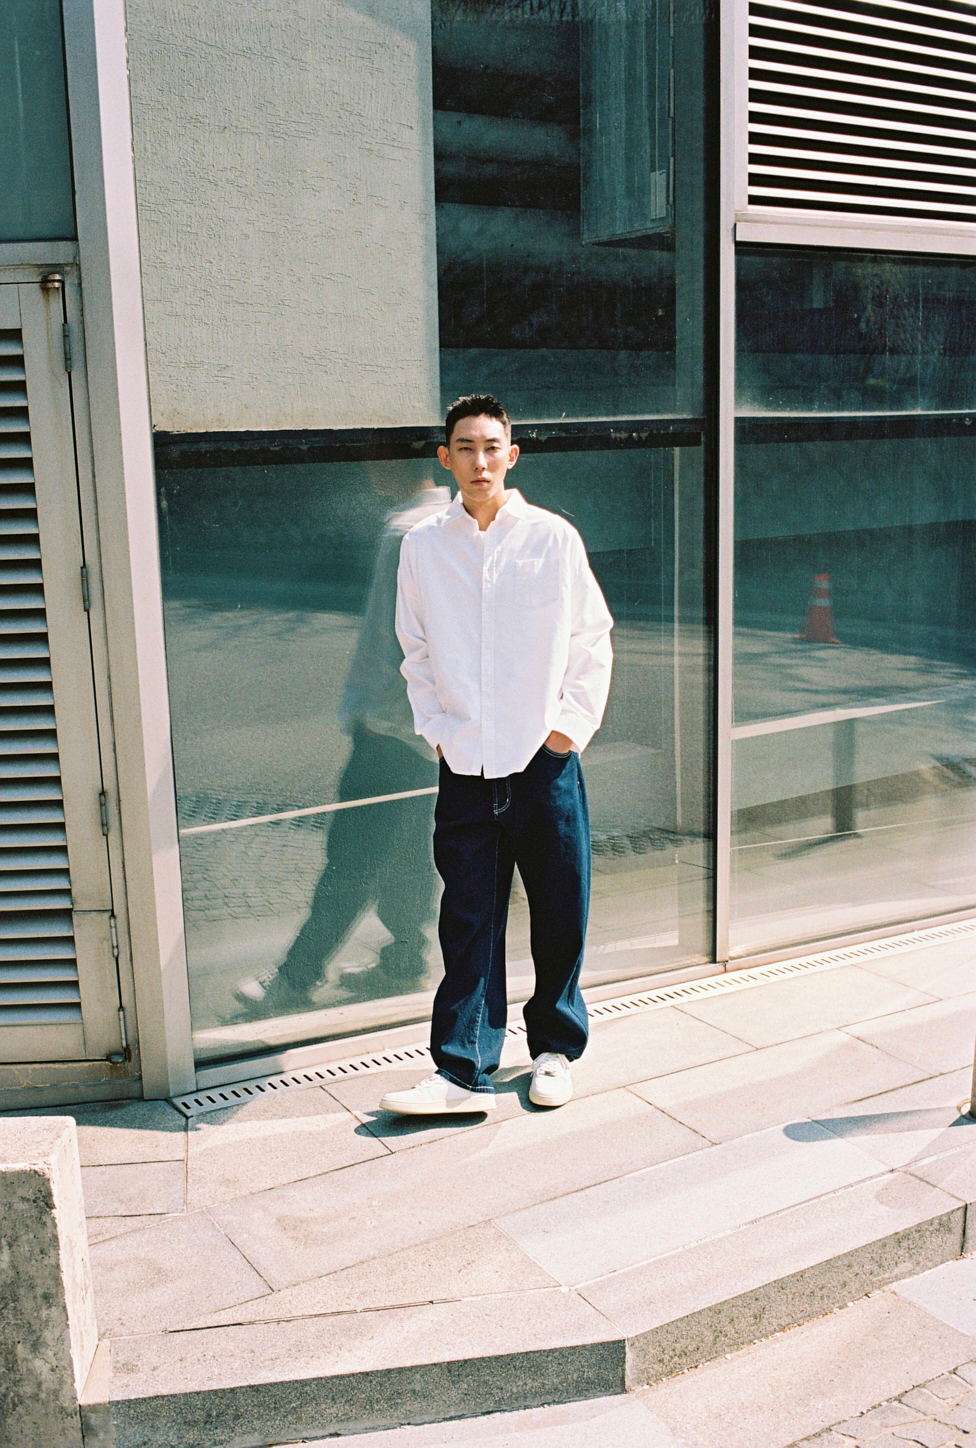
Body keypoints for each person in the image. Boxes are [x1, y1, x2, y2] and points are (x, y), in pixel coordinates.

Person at [380, 395, 613, 1116]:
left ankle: (553, 1051)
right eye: (465, 447)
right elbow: (415, 649)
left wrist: (566, 732)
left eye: (491, 447)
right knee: (469, 919)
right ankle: (461, 1070)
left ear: (511, 456)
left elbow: (591, 639)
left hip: (544, 761)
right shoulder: (423, 546)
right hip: (465, 764)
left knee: (559, 908)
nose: (479, 461)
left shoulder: (552, 539)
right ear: (444, 458)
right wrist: (438, 730)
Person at [233, 477, 449, 1020]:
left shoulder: (405, 533)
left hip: (392, 727)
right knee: (407, 853)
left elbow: (391, 641)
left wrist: (373, 717)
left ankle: (297, 975)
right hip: (423, 733)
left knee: (353, 855)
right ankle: (404, 961)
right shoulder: (444, 524)